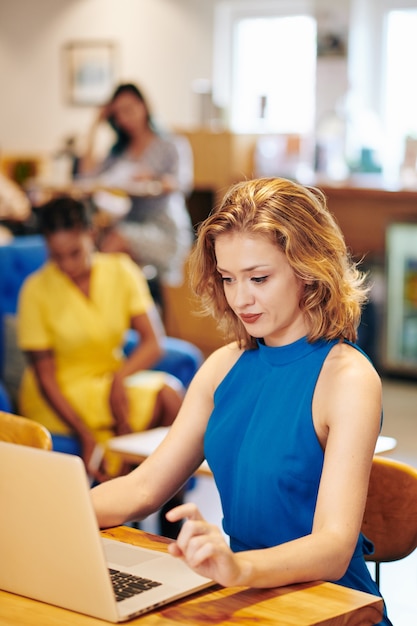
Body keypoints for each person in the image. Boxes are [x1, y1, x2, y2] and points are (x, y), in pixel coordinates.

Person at [91, 177, 392, 625]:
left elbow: (332, 547)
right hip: (248, 599)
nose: (240, 299)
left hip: (331, 608)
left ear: (309, 269)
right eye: (229, 279)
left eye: (259, 278)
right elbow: (142, 488)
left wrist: (240, 568)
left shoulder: (348, 378)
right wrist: (53, 514)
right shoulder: (223, 366)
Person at [16, 196, 184, 483]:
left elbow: (153, 342)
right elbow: (46, 379)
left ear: (91, 234)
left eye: (75, 252)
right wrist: (84, 434)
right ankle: (118, 508)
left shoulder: (120, 270)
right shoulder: (35, 290)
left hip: (107, 381)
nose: (67, 265)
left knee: (171, 394)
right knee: (121, 426)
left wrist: (120, 378)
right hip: (59, 393)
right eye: (57, 256)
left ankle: (168, 506)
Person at [77, 82, 194, 290]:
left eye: (129, 110)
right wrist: (95, 124)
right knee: (92, 239)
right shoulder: (120, 152)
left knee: (111, 244)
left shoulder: (171, 144)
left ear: (144, 107)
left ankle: (96, 301)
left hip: (165, 228)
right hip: (130, 223)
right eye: (118, 114)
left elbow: (183, 183)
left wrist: (155, 178)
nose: (124, 118)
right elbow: (87, 177)